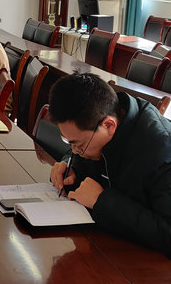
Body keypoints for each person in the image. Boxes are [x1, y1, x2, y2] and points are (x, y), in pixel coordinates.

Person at [49, 72, 171, 258]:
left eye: (78, 145)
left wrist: (102, 202)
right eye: (69, 142)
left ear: (108, 126)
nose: (75, 151)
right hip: (105, 243)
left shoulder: (161, 152)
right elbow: (80, 149)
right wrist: (69, 165)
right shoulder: (100, 118)